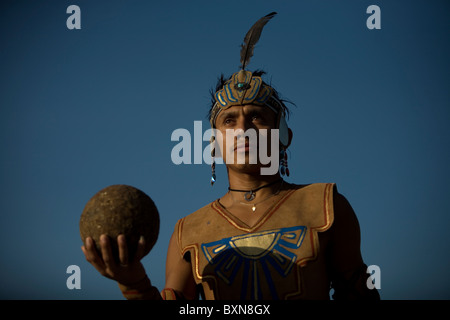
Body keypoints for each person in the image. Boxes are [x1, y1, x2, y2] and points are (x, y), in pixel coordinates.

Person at [82, 13, 380, 301]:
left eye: (257, 118)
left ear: (283, 137)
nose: (243, 130)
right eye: (229, 121)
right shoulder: (188, 231)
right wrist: (133, 283)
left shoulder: (326, 205)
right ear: (214, 144)